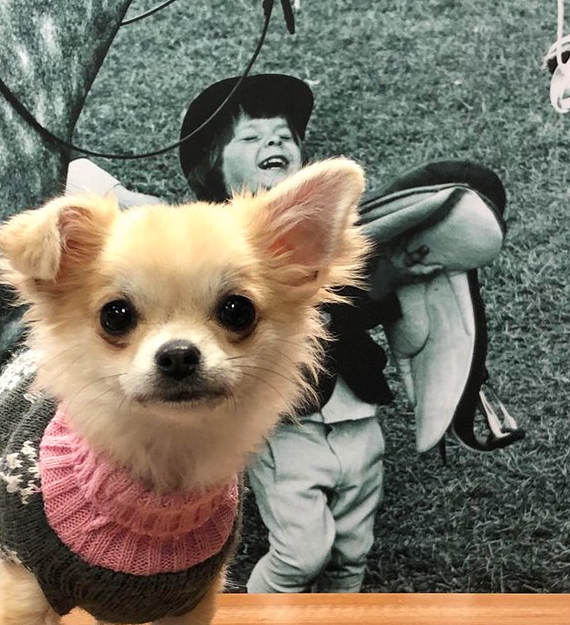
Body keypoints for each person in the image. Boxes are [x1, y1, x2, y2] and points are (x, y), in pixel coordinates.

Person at [176, 74, 509, 593]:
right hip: (283, 431)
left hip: (358, 416)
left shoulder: (341, 236)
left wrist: (399, 274)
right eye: (252, 136)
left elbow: (377, 317)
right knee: (299, 554)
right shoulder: (210, 245)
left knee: (351, 552)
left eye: (286, 135)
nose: (275, 141)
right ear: (213, 170)